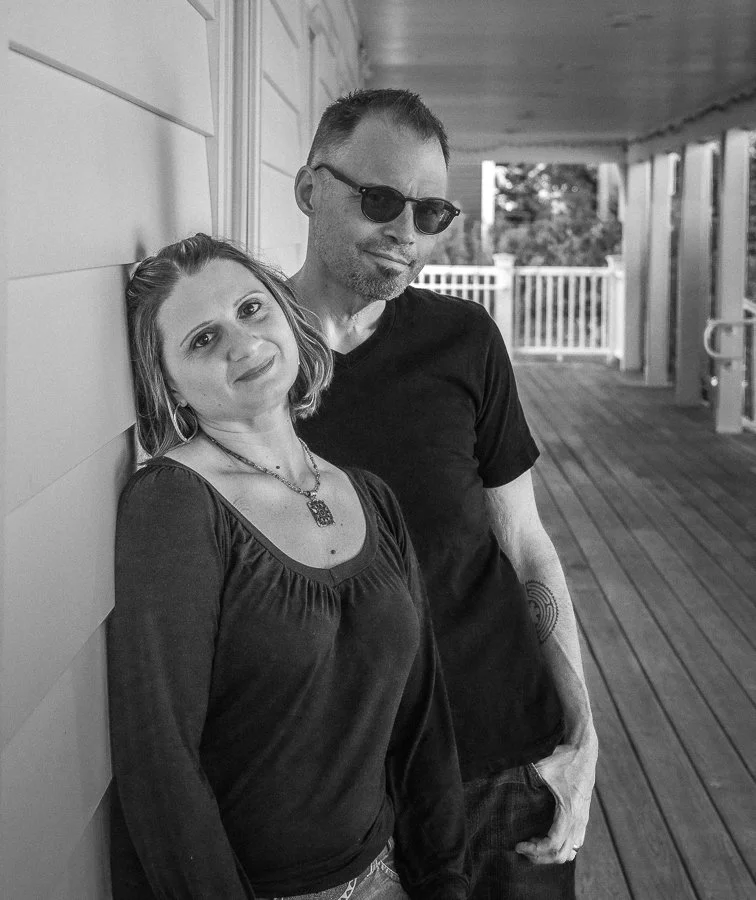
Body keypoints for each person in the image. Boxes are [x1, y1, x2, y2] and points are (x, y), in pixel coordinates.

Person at [291, 89, 598, 900]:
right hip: (340, 781)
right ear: (309, 188)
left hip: (500, 752)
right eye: (382, 199)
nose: (406, 232)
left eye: (431, 212)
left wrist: (582, 731)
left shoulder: (466, 341)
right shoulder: (249, 366)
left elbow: (525, 540)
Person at [107, 234, 470, 900]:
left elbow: (422, 721)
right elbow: (160, 763)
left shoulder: (369, 497)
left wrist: (444, 880)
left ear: (284, 312)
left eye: (251, 309)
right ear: (170, 386)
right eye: (202, 341)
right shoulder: (176, 506)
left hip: (388, 873)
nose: (242, 344)